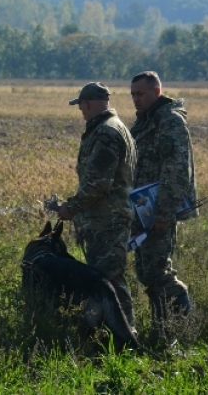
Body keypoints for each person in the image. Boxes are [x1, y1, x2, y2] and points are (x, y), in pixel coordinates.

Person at [58, 82, 137, 330]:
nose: (81, 111)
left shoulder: (105, 133)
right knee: (108, 280)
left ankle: (116, 337)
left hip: (107, 221)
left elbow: (98, 184)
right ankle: (113, 334)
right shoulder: (116, 128)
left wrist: (72, 207)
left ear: (88, 103)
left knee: (106, 281)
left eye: (81, 106)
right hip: (108, 218)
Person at [129, 71, 198, 340]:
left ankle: (181, 327)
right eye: (133, 94)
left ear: (157, 92)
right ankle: (162, 331)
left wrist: (165, 213)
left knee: (158, 271)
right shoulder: (145, 122)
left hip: (158, 211)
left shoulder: (169, 121)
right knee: (146, 272)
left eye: (141, 93)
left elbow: (175, 170)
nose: (136, 99)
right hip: (142, 209)